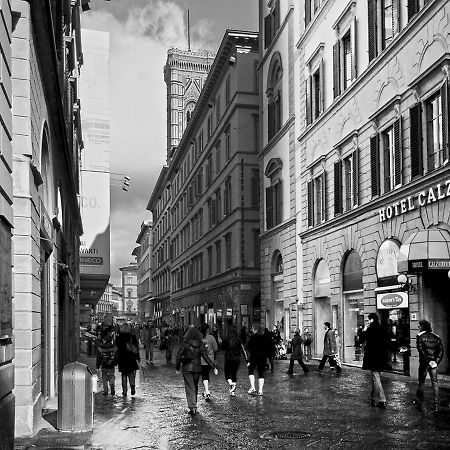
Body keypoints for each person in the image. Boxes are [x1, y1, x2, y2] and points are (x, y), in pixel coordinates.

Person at [176, 326, 218, 415]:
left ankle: (192, 406)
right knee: (195, 386)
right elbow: (205, 357)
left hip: (187, 368)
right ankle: (194, 404)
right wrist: (213, 367)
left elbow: (179, 356)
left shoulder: (185, 343)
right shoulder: (201, 344)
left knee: (189, 387)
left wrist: (177, 367)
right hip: (197, 368)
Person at [413, 319, 444, 412]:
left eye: (419, 326)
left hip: (424, 364)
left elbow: (421, 351)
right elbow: (441, 351)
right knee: (435, 383)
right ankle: (436, 404)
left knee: (421, 382)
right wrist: (436, 361)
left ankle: (419, 400)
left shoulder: (420, 336)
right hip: (434, 364)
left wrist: (428, 361)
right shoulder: (436, 337)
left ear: (422, 326)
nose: (418, 327)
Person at [360, 313, 389, 409]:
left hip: (372, 357)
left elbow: (361, 340)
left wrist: (364, 330)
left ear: (371, 320)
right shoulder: (382, 328)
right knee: (376, 377)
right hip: (381, 357)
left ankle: (382, 399)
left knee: (376, 377)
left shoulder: (370, 329)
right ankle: (372, 396)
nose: (367, 322)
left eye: (368, 320)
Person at [222, 326, 248, 395]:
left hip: (228, 358)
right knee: (234, 374)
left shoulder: (227, 339)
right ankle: (233, 390)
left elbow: (222, 347)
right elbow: (243, 349)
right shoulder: (238, 339)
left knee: (227, 374)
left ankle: (231, 385)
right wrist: (247, 359)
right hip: (236, 359)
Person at [116, 323, 140, 396]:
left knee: (124, 375)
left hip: (122, 358)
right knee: (131, 373)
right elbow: (136, 348)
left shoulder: (119, 337)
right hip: (131, 357)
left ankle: (125, 391)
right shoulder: (132, 336)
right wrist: (137, 357)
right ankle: (132, 388)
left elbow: (117, 348)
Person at [247, 325, 272, 396]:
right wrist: (267, 355)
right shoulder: (267, 338)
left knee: (251, 370)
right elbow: (271, 348)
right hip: (263, 357)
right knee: (261, 373)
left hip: (254, 356)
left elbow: (249, 347)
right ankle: (260, 390)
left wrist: (251, 353)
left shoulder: (253, 337)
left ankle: (253, 387)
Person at [96, 327, 118, 396]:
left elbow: (98, 358)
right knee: (112, 376)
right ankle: (112, 385)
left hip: (104, 365)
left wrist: (97, 365)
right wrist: (115, 362)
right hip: (111, 365)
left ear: (104, 340)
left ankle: (105, 391)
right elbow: (116, 357)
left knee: (104, 378)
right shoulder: (114, 348)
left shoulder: (100, 349)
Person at [200, 323, 218, 401]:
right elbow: (216, 349)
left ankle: (207, 391)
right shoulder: (211, 338)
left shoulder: (199, 338)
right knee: (206, 375)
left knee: (204, 375)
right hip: (210, 360)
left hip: (201, 360)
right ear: (208, 329)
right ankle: (206, 390)